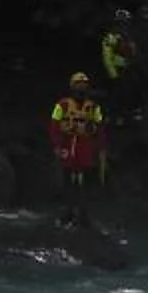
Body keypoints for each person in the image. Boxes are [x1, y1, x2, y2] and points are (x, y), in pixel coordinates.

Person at [47, 73, 106, 214]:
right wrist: (57, 145)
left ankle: (83, 210)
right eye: (78, 85)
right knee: (67, 177)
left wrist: (100, 147)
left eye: (84, 85)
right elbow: (54, 125)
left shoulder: (93, 107)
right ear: (72, 87)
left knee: (85, 179)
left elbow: (100, 127)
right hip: (67, 144)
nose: (81, 88)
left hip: (85, 145)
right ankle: (67, 209)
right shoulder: (62, 105)